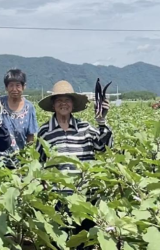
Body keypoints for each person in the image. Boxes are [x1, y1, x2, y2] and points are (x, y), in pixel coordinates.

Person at [35, 80, 113, 249]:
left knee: (84, 242)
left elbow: (104, 148)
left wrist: (102, 121)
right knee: (60, 243)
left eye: (67, 100)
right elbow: (38, 164)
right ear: (53, 104)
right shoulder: (45, 131)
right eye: (59, 100)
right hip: (58, 200)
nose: (64, 104)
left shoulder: (86, 128)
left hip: (85, 197)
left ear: (73, 104)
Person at [0, 69, 38, 169]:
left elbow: (30, 137)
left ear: (24, 86)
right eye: (11, 85)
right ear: (6, 87)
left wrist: (28, 159)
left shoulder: (29, 108)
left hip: (18, 163)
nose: (14, 89)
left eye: (18, 85)